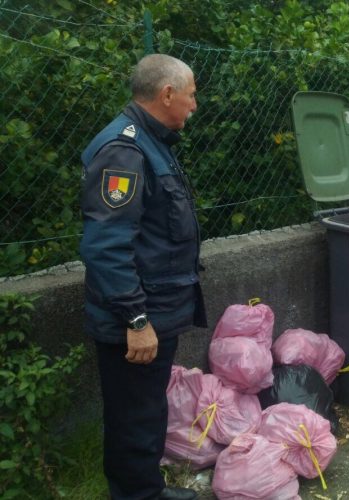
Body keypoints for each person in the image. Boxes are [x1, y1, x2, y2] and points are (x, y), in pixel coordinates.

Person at [80, 54, 206, 500]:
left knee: (148, 412)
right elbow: (106, 246)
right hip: (135, 319)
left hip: (158, 309)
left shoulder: (154, 144)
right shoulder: (125, 151)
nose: (194, 106)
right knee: (133, 420)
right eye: (191, 96)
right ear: (167, 93)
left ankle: (147, 488)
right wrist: (136, 320)